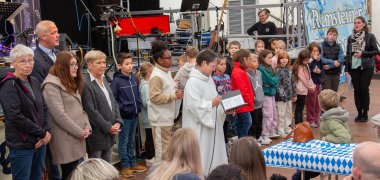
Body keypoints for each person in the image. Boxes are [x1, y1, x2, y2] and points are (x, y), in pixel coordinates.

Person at [0, 44, 51, 180]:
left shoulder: (33, 81)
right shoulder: (9, 85)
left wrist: (47, 131)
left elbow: (45, 108)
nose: (28, 64)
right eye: (23, 61)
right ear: (13, 63)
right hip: (22, 146)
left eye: (30, 60)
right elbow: (15, 117)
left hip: (41, 142)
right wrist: (42, 133)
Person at [41, 51, 91, 180]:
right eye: (72, 64)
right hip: (66, 140)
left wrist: (87, 127)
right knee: (70, 174)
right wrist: (80, 132)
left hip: (78, 137)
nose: (76, 67)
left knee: (77, 174)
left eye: (76, 64)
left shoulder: (70, 82)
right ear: (63, 66)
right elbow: (59, 115)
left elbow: (81, 109)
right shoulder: (51, 85)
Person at [182, 50, 228, 174]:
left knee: (214, 153)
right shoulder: (193, 82)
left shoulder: (209, 79)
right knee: (202, 155)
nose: (214, 70)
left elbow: (215, 100)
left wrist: (225, 108)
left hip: (212, 125)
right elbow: (193, 106)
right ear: (203, 63)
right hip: (200, 128)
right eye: (213, 66)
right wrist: (210, 104)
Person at [293, 89, 352, 180]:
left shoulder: (331, 120)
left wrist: (326, 138)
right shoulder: (333, 116)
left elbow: (345, 138)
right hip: (329, 154)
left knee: (298, 175)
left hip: (331, 159)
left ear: (321, 106)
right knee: (300, 167)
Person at [31, 20, 61, 180]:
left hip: (64, 114)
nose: (58, 35)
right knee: (53, 162)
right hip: (51, 117)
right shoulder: (35, 59)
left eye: (57, 31)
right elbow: (42, 92)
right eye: (53, 32)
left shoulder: (58, 54)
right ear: (43, 36)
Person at [81, 50, 123, 162]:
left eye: (104, 62)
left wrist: (118, 121)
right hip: (97, 135)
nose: (103, 65)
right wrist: (108, 127)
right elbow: (90, 111)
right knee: (97, 169)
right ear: (89, 65)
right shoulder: (86, 84)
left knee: (107, 167)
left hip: (110, 134)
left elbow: (113, 101)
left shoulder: (103, 79)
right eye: (99, 63)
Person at [110, 53, 146, 177]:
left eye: (131, 63)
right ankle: (125, 166)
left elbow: (137, 94)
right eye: (127, 64)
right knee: (123, 141)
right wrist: (122, 108)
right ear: (119, 65)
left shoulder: (134, 79)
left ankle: (132, 162)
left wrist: (138, 104)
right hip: (124, 117)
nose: (130, 66)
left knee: (132, 140)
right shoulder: (116, 82)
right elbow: (113, 100)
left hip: (134, 115)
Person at [148, 40, 183, 163]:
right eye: (168, 58)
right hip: (159, 120)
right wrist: (173, 95)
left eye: (171, 57)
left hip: (166, 118)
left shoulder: (166, 71)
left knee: (167, 152)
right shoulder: (157, 76)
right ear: (159, 60)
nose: (171, 60)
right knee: (162, 153)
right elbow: (154, 98)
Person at [346, 16, 379, 122]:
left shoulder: (370, 36)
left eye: (359, 23)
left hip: (367, 66)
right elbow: (348, 54)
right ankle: (359, 112)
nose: (356, 24)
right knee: (357, 90)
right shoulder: (351, 38)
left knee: (364, 89)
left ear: (364, 24)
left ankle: (365, 113)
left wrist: (363, 53)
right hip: (354, 67)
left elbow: (376, 51)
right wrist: (347, 68)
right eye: (355, 23)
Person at [231, 49, 254, 138]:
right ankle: (242, 140)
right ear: (244, 59)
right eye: (249, 59)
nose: (249, 62)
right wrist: (249, 100)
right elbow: (242, 90)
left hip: (242, 102)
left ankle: (241, 140)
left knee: (242, 123)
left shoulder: (240, 70)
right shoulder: (238, 72)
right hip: (243, 103)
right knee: (247, 122)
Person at [212, 56, 234, 147]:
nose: (224, 66)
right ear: (215, 66)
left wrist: (233, 105)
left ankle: (226, 144)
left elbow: (230, 91)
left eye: (225, 64)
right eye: (221, 64)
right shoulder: (213, 78)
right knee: (222, 126)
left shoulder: (227, 76)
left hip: (229, 105)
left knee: (228, 125)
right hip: (220, 106)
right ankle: (221, 146)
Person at [258, 49, 279, 142]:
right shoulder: (261, 68)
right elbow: (269, 80)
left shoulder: (270, 67)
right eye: (269, 57)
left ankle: (271, 130)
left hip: (272, 92)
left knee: (274, 113)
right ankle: (264, 133)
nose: (271, 59)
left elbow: (276, 78)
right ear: (263, 58)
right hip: (266, 93)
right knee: (268, 114)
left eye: (271, 57)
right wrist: (273, 81)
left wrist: (273, 81)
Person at [275, 51, 297, 138]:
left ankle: (287, 127)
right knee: (281, 114)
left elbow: (293, 82)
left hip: (289, 96)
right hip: (281, 98)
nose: (284, 60)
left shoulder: (289, 70)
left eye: (286, 58)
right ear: (279, 60)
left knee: (288, 113)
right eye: (282, 58)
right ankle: (280, 130)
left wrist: (294, 94)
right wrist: (283, 95)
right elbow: (278, 84)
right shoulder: (277, 70)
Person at [293, 49, 315, 125]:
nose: (306, 61)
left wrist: (313, 85)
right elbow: (304, 79)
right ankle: (298, 124)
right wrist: (310, 87)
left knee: (301, 108)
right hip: (300, 90)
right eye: (305, 60)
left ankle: (300, 123)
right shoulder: (299, 67)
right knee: (299, 108)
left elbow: (309, 77)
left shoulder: (306, 65)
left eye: (307, 60)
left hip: (304, 90)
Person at [139, 63, 155, 167]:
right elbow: (146, 102)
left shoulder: (147, 84)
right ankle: (150, 158)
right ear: (149, 73)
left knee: (151, 138)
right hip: (148, 117)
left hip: (149, 117)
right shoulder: (145, 86)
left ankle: (151, 156)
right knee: (149, 138)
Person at [246, 54, 264, 144]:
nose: (256, 63)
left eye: (257, 61)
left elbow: (261, 86)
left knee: (260, 120)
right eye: (254, 61)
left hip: (260, 101)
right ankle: (252, 139)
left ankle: (258, 136)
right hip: (253, 103)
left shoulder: (259, 73)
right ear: (248, 63)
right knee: (254, 122)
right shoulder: (247, 74)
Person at [320, 27, 344, 92]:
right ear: (327, 35)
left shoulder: (339, 46)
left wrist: (331, 66)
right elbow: (321, 58)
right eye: (330, 34)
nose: (332, 36)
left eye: (334, 35)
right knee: (327, 93)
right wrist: (333, 62)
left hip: (336, 73)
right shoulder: (321, 45)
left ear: (336, 36)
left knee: (334, 92)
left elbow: (341, 60)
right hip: (326, 73)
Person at [307, 42, 323, 128]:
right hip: (311, 83)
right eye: (313, 51)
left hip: (318, 83)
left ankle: (317, 118)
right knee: (311, 102)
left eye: (317, 51)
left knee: (317, 102)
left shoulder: (319, 60)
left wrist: (319, 71)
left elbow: (321, 70)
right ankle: (311, 119)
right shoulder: (309, 60)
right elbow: (310, 68)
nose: (315, 53)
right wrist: (314, 60)